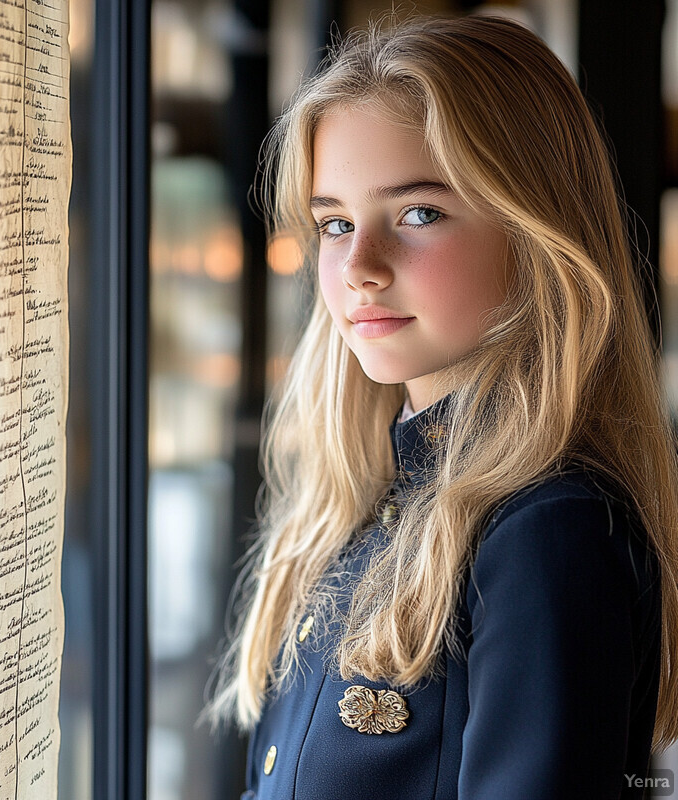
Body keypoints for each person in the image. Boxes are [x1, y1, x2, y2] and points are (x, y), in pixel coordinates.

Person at [208, 14, 678, 799]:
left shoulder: (547, 533)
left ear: (535, 231)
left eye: (419, 213)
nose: (359, 266)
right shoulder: (350, 513)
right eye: (334, 223)